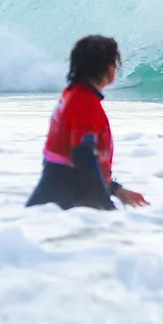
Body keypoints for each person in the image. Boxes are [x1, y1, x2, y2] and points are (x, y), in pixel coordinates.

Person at [26, 35, 149, 210]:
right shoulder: (84, 103)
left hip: (62, 186)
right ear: (108, 69)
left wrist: (117, 190)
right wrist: (105, 204)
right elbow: (82, 154)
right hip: (68, 189)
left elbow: (84, 159)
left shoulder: (74, 95)